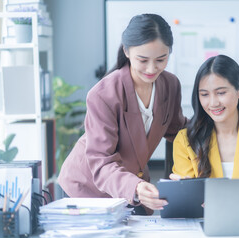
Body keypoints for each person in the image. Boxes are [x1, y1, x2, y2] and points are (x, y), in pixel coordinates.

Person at [58, 14, 187, 214]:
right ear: (126, 51)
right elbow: (101, 162)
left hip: (132, 185)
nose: (152, 69)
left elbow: (178, 129)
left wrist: (219, 127)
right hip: (88, 187)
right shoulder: (103, 95)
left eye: (161, 59)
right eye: (142, 60)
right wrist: (134, 187)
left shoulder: (170, 85)